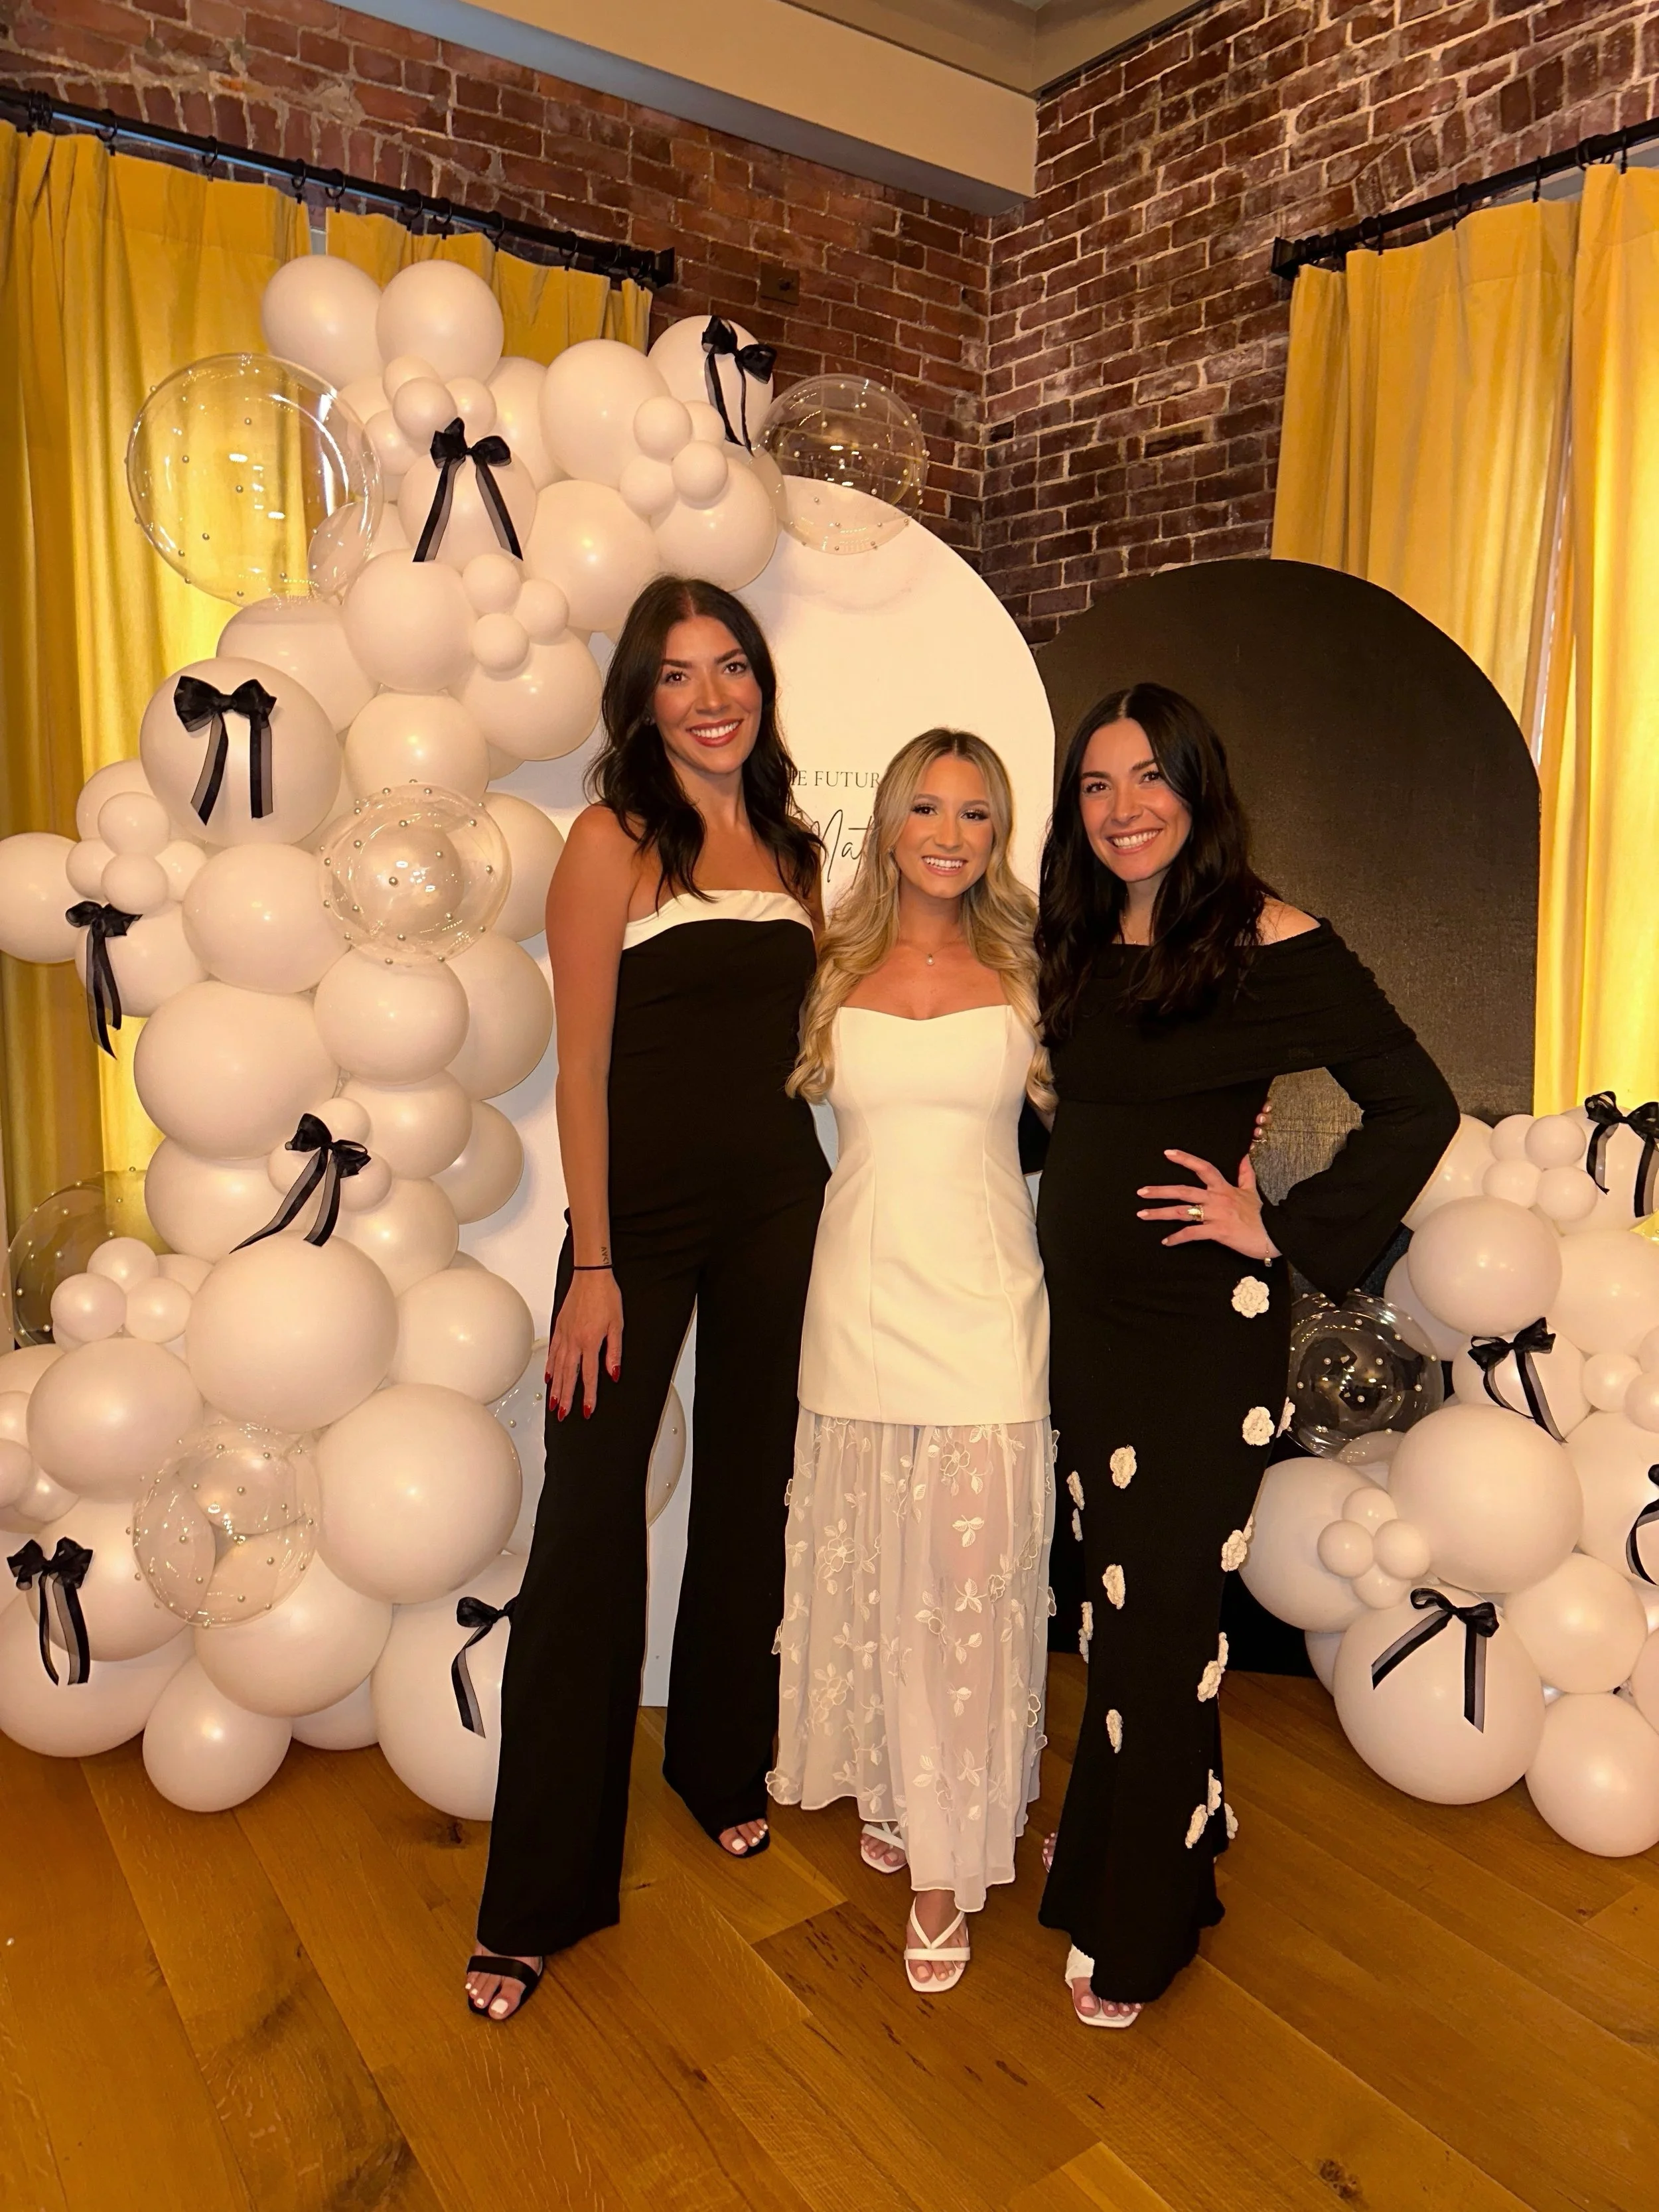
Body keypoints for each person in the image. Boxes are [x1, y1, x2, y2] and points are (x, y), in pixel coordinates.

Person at [1035, 683, 1458, 2028]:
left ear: (1198, 787)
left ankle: (1140, 1918)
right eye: (1097, 783)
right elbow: (1069, 1122)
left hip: (1196, 1335)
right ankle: (1178, 1811)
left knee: (1158, 1608)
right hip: (1087, 1329)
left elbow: (1416, 1105)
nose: (1124, 808)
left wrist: (1277, 1227)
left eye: (1150, 777)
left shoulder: (1269, 937)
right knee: (1124, 1603)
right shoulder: (1071, 938)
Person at [465, 576, 828, 2022]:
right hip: (637, 1229)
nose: (711, 697)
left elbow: (819, 1049)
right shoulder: (609, 838)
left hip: (780, 1208)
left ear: (759, 682)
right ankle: (535, 1899)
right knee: (585, 1523)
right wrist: (596, 1265)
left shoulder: (795, 850)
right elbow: (583, 1070)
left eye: (730, 665)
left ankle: (718, 1763)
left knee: (754, 1491)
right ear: (642, 698)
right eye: (678, 675)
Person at [768, 730, 1054, 1994]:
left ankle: (945, 1863)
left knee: (969, 1578)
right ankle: (898, 1785)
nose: (949, 835)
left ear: (1000, 835)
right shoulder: (827, 965)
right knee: (884, 1561)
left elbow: (1122, 1103)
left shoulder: (1038, 971)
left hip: (989, 1304)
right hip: (861, 1301)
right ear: (888, 827)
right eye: (926, 809)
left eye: (975, 814)